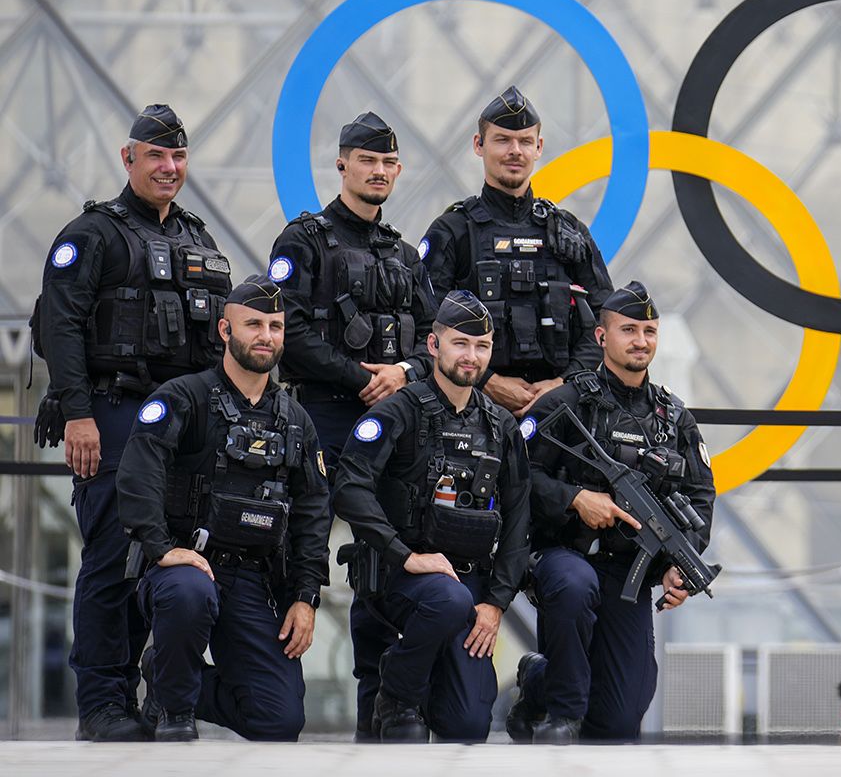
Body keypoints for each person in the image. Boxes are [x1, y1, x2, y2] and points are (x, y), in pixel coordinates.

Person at [32, 104, 232, 741]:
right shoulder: (92, 234)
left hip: (179, 430)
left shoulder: (197, 240)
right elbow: (58, 326)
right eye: (156, 156)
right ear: (129, 159)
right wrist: (79, 415)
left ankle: (149, 698)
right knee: (111, 561)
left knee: (162, 559)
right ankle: (101, 704)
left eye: (178, 157)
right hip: (114, 415)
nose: (169, 168)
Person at [266, 110, 435, 740]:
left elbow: (437, 337)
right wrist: (360, 378)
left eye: (390, 163)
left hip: (389, 424)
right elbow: (289, 331)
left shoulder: (403, 253)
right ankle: (274, 691)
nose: (381, 172)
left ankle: (381, 705)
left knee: (382, 558)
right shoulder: (304, 241)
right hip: (321, 418)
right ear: (342, 164)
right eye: (369, 161)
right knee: (295, 548)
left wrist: (405, 372)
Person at [115, 277, 328, 741]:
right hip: (186, 569)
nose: (266, 336)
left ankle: (165, 674)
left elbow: (313, 511)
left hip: (253, 578)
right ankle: (173, 713)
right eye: (253, 324)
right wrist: (160, 548)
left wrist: (305, 596)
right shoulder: (183, 397)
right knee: (188, 592)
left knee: (279, 722)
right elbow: (138, 472)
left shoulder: (295, 419)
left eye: (275, 326)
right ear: (224, 331)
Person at [506, 281, 717, 743]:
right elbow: (517, 477)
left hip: (629, 572)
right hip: (564, 555)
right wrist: (574, 499)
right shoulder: (565, 403)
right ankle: (562, 713)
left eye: (649, 331)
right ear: (602, 338)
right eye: (628, 330)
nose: (640, 341)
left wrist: (679, 567)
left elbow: (700, 497)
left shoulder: (674, 419)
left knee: (619, 724)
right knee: (574, 586)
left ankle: (540, 680)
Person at [331, 290, 531, 742]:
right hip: (399, 576)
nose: (471, 356)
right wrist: (404, 555)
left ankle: (411, 689)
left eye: (481, 347)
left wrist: (496, 603)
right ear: (434, 345)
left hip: (469, 586)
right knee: (447, 600)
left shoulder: (501, 426)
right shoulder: (397, 411)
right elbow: (349, 488)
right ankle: (397, 696)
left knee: (467, 727)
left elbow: (519, 519)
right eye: (460, 343)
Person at [419, 86, 612, 417]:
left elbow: (606, 322)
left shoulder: (568, 232)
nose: (515, 151)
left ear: (538, 148)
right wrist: (487, 380)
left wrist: (564, 383)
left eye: (524, 142)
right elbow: (424, 322)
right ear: (479, 145)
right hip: (471, 411)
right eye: (502, 140)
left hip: (563, 412)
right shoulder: (452, 230)